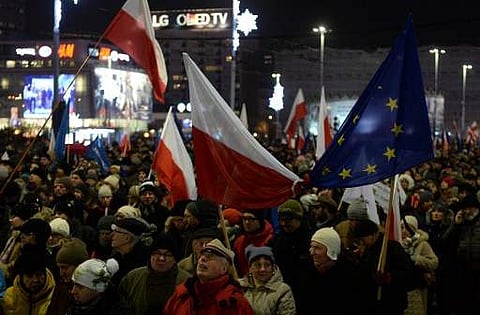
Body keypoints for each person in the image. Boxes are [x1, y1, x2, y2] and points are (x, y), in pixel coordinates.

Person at [163, 239, 253, 315]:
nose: (202, 259)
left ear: (224, 269)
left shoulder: (234, 303)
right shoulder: (181, 295)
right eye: (202, 255)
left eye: (210, 257)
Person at [117, 233, 190, 315]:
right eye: (157, 253)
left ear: (174, 259)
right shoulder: (133, 278)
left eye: (167, 254)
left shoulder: (187, 281)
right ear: (150, 255)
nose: (161, 258)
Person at [352, 219, 414, 315]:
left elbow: (409, 273)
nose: (360, 243)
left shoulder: (392, 248)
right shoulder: (366, 251)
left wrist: (390, 277)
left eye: (362, 239)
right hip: (371, 302)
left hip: (391, 302)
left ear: (372, 235)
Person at [238, 245, 296, 315]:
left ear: (273, 268)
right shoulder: (241, 288)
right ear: (250, 268)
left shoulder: (282, 290)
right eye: (257, 265)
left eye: (267, 265)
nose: (262, 269)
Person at [1, 244, 56, 315]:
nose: (35, 280)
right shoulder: (10, 297)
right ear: (21, 276)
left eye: (38, 275)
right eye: (29, 276)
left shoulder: (56, 297)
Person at [400, 215, 438, 315]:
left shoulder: (422, 244)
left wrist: (416, 258)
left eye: (405, 227)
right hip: (402, 288)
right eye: (401, 227)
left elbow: (434, 263)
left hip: (417, 288)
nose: (402, 231)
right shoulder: (398, 244)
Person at [451, 194, 480, 315]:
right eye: (465, 209)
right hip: (463, 271)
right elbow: (447, 242)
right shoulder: (461, 223)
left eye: (470, 208)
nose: (467, 212)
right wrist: (456, 225)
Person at [47, 238, 89, 315]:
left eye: (65, 268)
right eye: (59, 268)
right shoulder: (61, 287)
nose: (61, 273)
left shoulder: (88, 291)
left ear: (79, 266)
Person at [109, 217, 155, 286]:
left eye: (116, 231)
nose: (111, 235)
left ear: (127, 238)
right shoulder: (118, 257)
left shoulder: (141, 262)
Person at [233, 209, 274, 277]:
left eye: (251, 219)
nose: (247, 222)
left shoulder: (270, 240)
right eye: (244, 218)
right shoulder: (239, 241)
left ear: (259, 220)